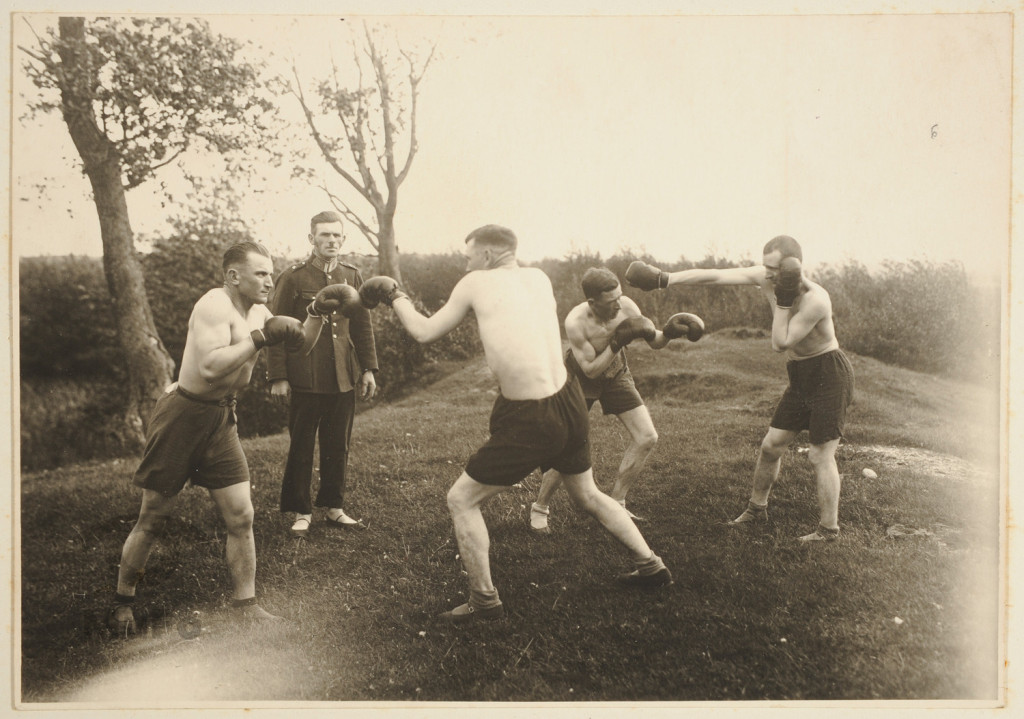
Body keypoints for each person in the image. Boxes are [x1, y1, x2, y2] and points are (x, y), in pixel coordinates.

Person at [359, 224, 673, 626]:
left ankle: (484, 601)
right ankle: (651, 564)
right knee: (588, 494)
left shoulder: (476, 281)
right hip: (569, 399)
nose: (465, 261)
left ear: (488, 255)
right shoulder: (537, 277)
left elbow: (423, 332)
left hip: (532, 416)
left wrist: (394, 295)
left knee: (462, 500)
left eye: (469, 253)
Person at [108, 241, 321, 636]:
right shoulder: (213, 305)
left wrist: (318, 314)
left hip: (221, 419)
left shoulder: (258, 310)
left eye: (270, 273)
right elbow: (208, 367)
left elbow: (300, 343)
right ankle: (123, 603)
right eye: (260, 273)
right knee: (153, 518)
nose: (269, 281)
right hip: (183, 416)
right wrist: (259, 339)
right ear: (232, 276)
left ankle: (246, 605)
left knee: (242, 515)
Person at [624, 235, 854, 542]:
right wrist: (665, 279)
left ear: (793, 266)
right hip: (801, 373)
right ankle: (756, 510)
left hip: (829, 373)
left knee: (819, 454)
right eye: (766, 266)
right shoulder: (764, 275)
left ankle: (828, 530)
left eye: (775, 268)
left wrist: (783, 300)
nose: (768, 274)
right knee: (771, 446)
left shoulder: (815, 299)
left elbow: (780, 343)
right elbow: (716, 276)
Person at [529, 267, 704, 534]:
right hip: (578, 378)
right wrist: (617, 342)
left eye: (620, 297)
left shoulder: (626, 306)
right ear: (592, 302)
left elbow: (652, 339)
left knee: (647, 436)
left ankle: (617, 503)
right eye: (611, 302)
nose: (618, 305)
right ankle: (540, 509)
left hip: (616, 373)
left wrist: (668, 331)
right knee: (565, 444)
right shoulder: (576, 322)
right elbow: (589, 369)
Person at [268, 211, 379, 538]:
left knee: (338, 444)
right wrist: (278, 375)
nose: (331, 241)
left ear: (343, 239)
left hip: (343, 374)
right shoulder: (293, 277)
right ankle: (301, 511)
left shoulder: (352, 275)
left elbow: (362, 325)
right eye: (324, 235)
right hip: (305, 373)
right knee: (301, 444)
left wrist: (369, 369)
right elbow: (275, 328)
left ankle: (334, 507)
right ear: (311, 239)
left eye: (336, 236)